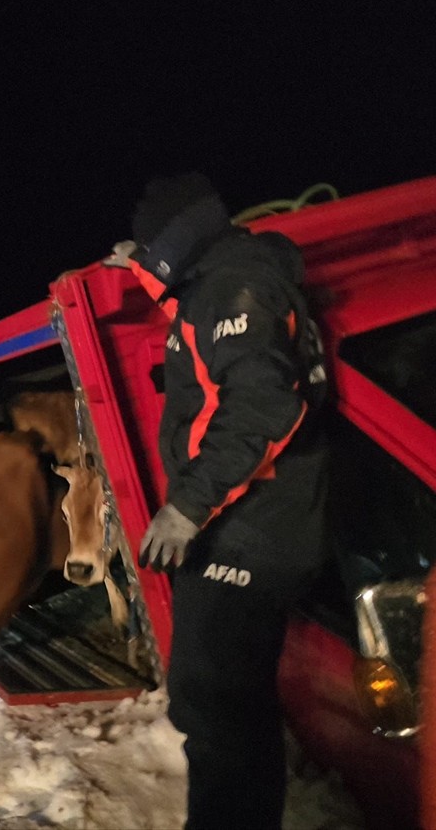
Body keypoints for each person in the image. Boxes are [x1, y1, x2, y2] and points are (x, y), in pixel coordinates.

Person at [104, 172, 328, 829]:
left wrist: (189, 505)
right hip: (240, 525)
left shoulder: (237, 285)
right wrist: (146, 270)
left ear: (176, 238)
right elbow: (208, 342)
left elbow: (262, 402)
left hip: (252, 530)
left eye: (152, 247)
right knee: (217, 702)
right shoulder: (218, 281)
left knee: (216, 704)